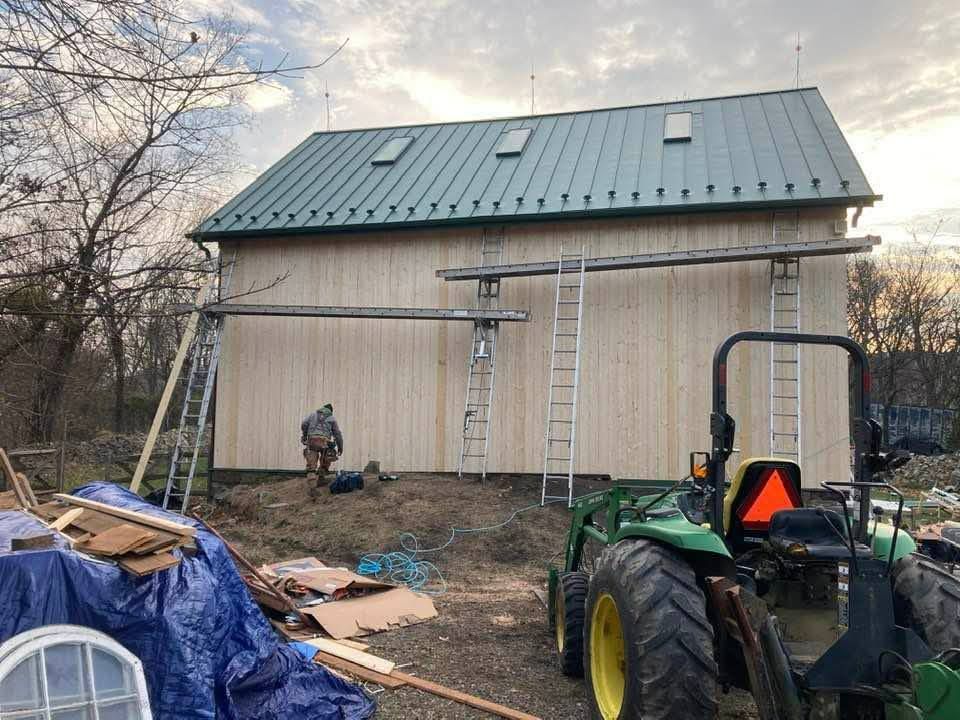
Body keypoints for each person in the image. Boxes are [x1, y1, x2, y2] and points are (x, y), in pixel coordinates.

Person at [300, 403, 343, 490]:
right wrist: (340, 447)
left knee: (311, 465)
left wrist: (305, 435)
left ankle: (312, 487)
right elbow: (337, 434)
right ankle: (321, 479)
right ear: (330, 411)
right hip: (324, 442)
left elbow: (304, 424)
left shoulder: (312, 415)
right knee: (325, 459)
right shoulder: (332, 418)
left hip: (312, 441)